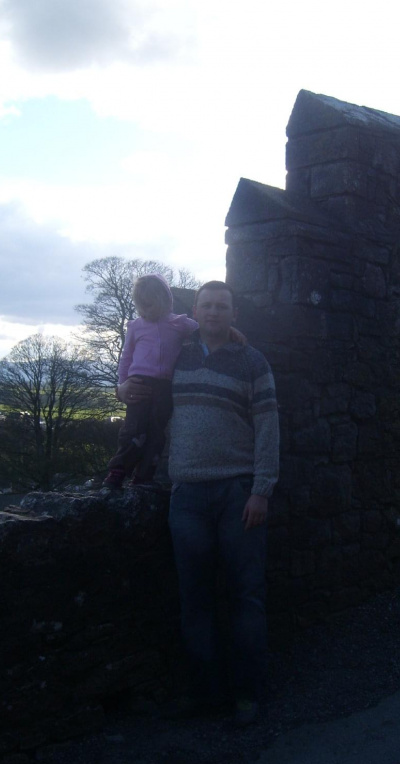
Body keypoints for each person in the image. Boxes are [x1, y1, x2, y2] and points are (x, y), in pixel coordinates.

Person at [119, 281, 279, 726]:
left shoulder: (251, 361)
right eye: (207, 305)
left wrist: (262, 489)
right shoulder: (179, 352)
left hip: (237, 492)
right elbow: (138, 372)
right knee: (195, 599)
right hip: (185, 492)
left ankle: (247, 692)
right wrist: (119, 392)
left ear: (233, 312)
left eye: (222, 306)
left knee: (245, 596)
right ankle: (204, 693)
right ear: (195, 310)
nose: (213, 312)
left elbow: (268, 427)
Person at [104, 273, 198, 488]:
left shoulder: (179, 324)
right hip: (138, 383)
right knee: (133, 428)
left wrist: (230, 331)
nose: (145, 311)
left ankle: (144, 475)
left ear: (166, 300)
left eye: (150, 305)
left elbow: (207, 331)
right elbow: (126, 357)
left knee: (157, 432)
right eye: (141, 306)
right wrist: (121, 385)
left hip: (165, 387)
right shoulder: (136, 326)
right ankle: (118, 470)